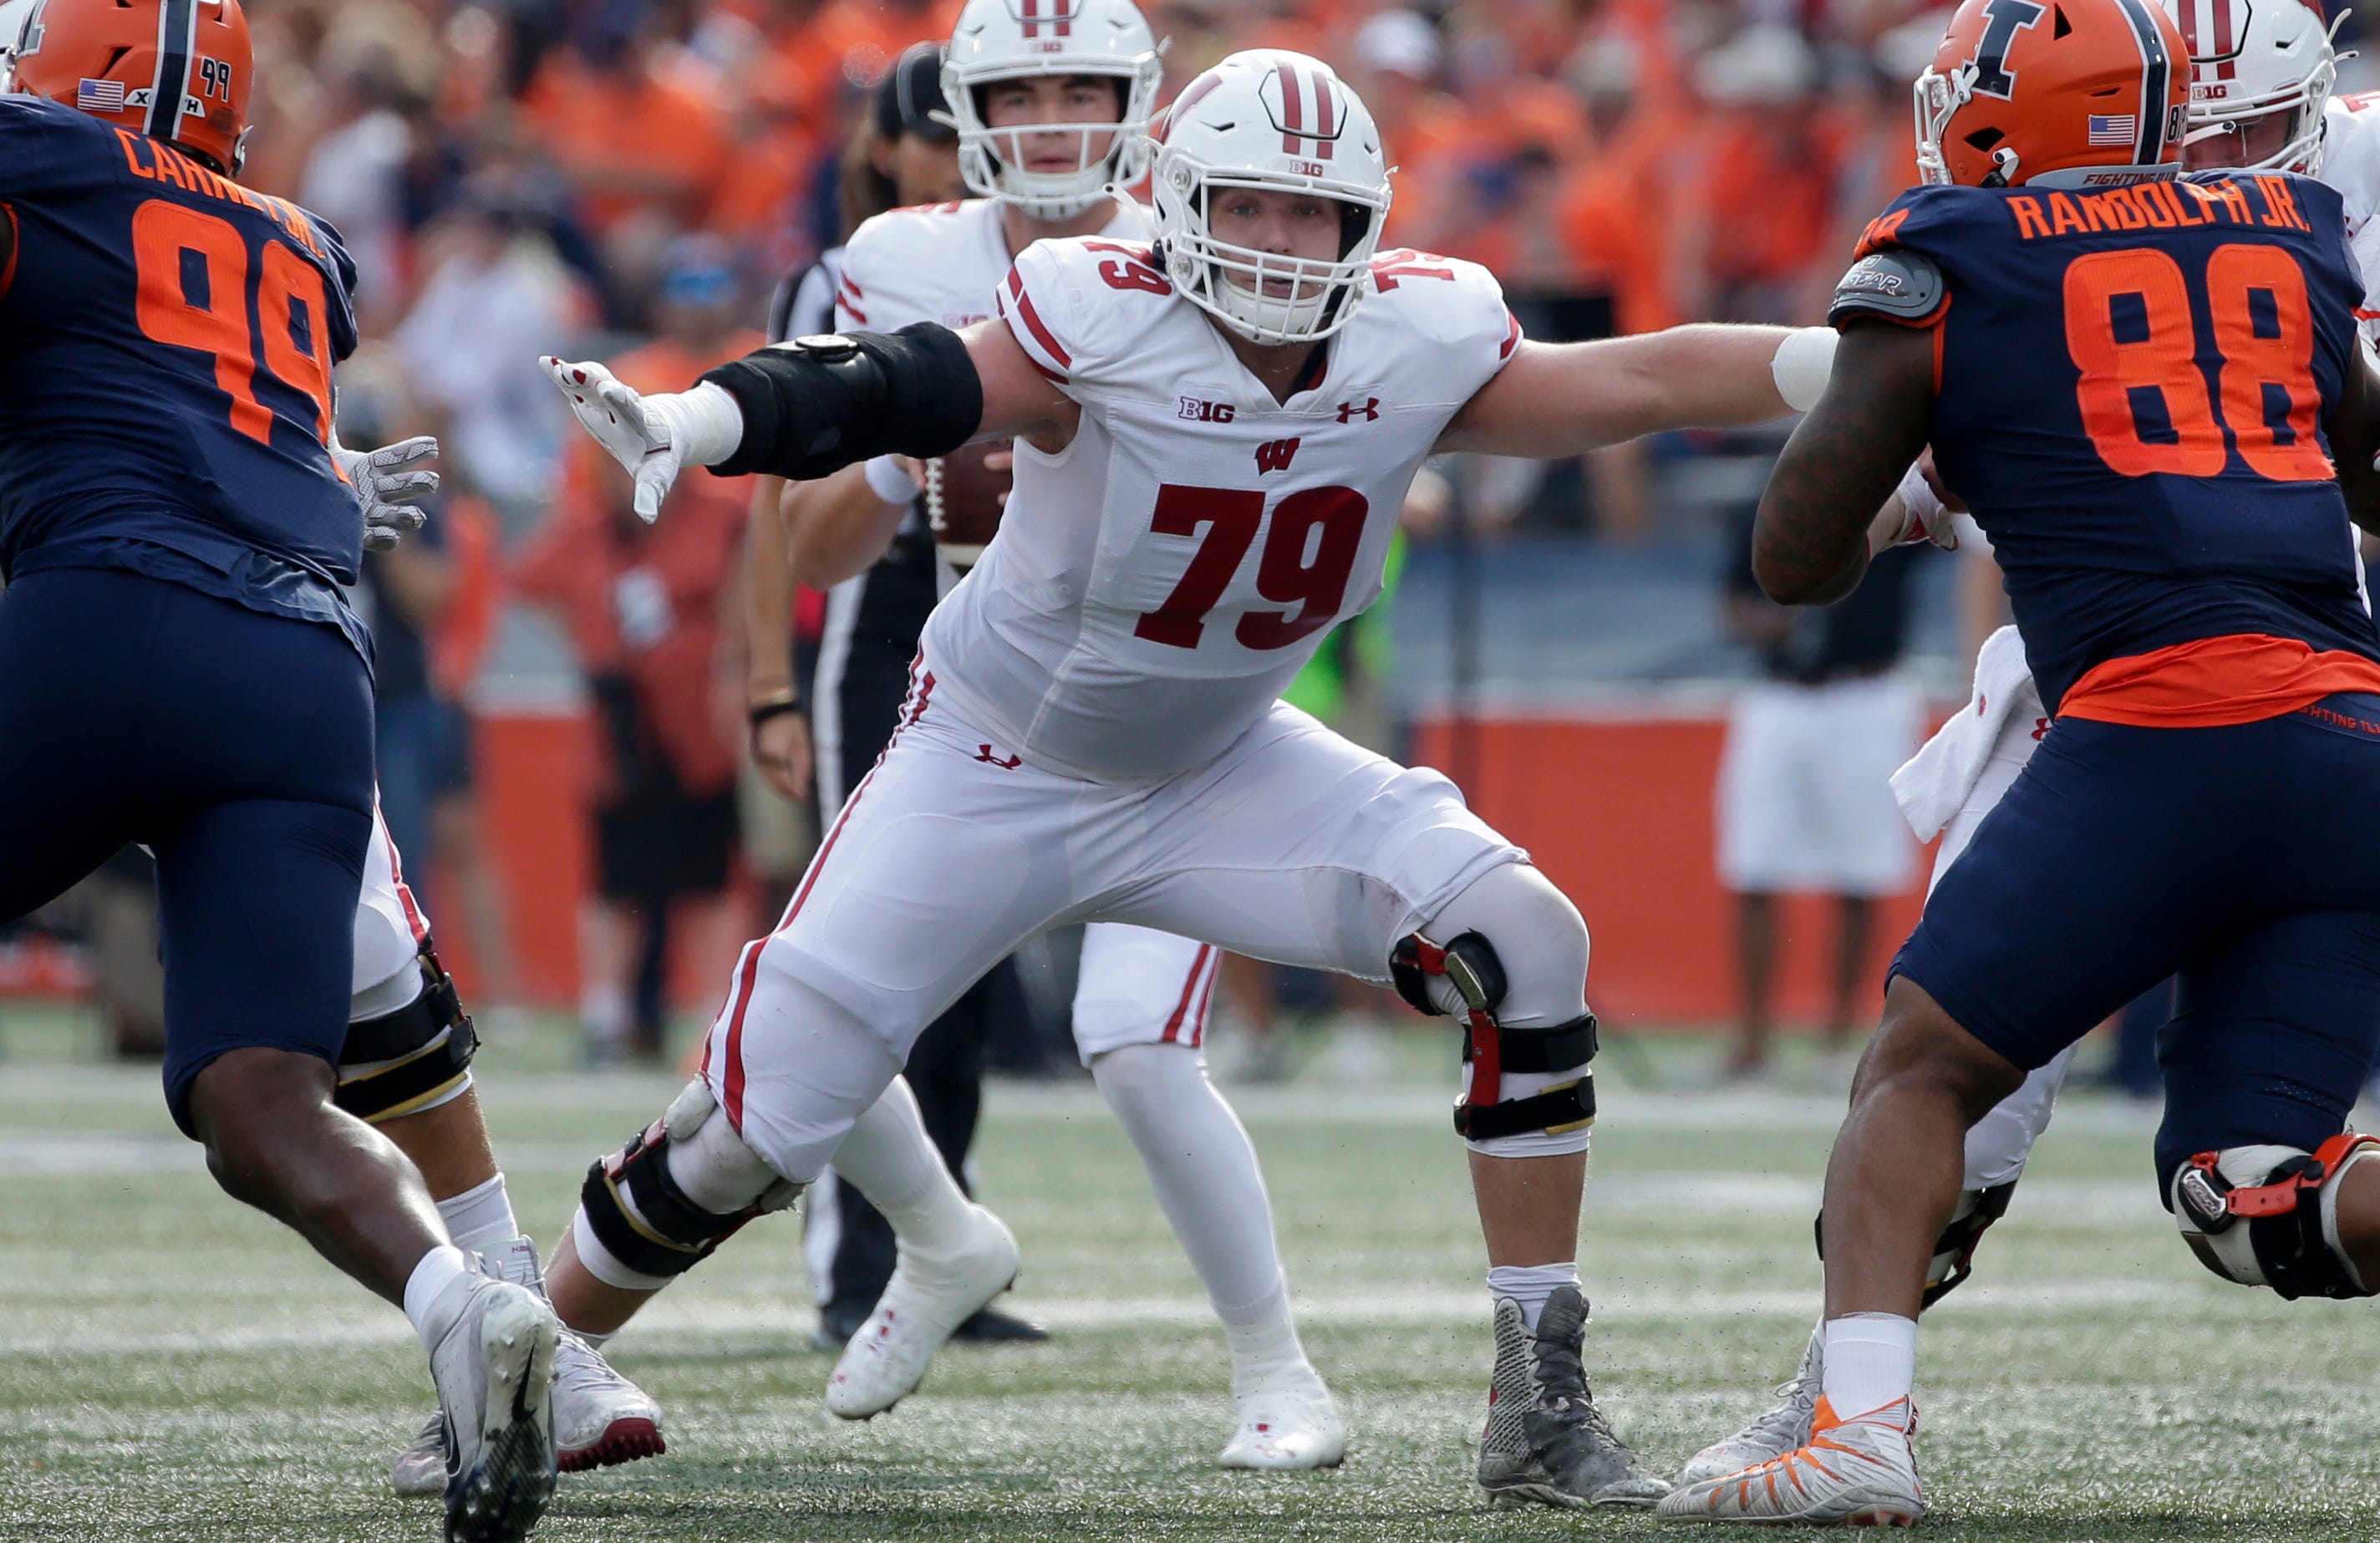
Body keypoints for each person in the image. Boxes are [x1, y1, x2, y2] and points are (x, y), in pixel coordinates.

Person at [543, 48, 1833, 1509]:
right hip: (992, 763)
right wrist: (699, 419)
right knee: (760, 1123)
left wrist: (1856, 364)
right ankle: (531, 1364)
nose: (1281, 245)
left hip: (1221, 761)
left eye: (1312, 215)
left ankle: (1536, 1398)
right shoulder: (1101, 313)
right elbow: (895, 385)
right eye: (1250, 207)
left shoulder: (1414, 338)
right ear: (1175, 199)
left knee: (1525, 937)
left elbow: (1651, 375)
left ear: (1364, 226)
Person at [1660, 0, 2380, 1523]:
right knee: (2250, 1200)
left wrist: (1940, 444)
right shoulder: (2292, 223)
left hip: (2155, 712)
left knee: (1924, 1066)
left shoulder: (1961, 245)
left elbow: (1794, 557)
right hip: (2341, 725)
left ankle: (1855, 1417)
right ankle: (1840, 1388)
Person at [0, 2, 565, 1537]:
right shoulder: (300, 245)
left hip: (111, 611)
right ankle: (459, 1304)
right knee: (263, 1098)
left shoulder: (41, 161)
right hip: (306, 672)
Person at [750, 21, 1347, 1466]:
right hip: (972, 692)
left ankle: (1275, 1370)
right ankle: (934, 1240)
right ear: (962, 111)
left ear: (1144, 108)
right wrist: (920, 453)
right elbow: (810, 532)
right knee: (807, 1009)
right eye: (1023, 92)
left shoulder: (1216, 233)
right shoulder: (896, 259)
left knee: (1133, 1040)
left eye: (1084, 86)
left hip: (1162, 700)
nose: (1059, 118)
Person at [753, 43, 1053, 1362]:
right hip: (879, 613)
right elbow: (778, 502)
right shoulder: (858, 270)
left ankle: (949, 1243)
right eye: (936, 133)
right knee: (869, 948)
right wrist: (769, 677)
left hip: (1012, 620)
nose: (953, 154)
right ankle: (850, 1262)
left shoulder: (1087, 254)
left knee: (971, 968)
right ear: (888, 149)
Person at [1713, 510, 1926, 1083]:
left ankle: (1837, 1040)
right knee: (1752, 867)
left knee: (1860, 874)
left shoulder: (1898, 494)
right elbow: (1733, 595)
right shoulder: (1771, 494)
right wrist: (1765, 625)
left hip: (1866, 690)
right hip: (1779, 694)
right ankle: (1752, 1041)